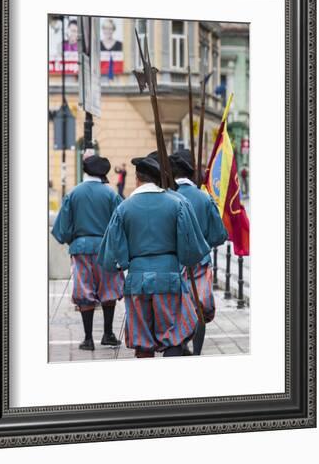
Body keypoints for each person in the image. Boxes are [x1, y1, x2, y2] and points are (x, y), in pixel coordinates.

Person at [97, 156, 210, 358]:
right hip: (169, 277)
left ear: (137, 178)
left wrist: (122, 265)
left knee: (142, 340)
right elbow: (191, 249)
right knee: (174, 335)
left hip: (137, 279)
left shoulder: (124, 208)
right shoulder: (177, 204)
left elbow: (111, 255)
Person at [51, 155, 124, 351]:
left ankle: (88, 339)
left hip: (81, 248)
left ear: (85, 171)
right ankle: (108, 334)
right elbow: (120, 224)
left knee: (84, 290)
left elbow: (62, 229)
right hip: (106, 247)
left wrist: (73, 240)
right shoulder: (111, 195)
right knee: (108, 289)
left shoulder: (74, 194)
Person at [169, 149, 228, 354]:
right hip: (201, 262)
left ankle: (182, 343)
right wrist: (203, 242)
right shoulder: (204, 198)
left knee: (178, 306)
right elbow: (219, 235)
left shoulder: (168, 196)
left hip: (173, 262)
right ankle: (197, 352)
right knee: (200, 307)